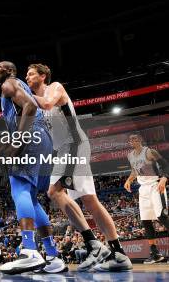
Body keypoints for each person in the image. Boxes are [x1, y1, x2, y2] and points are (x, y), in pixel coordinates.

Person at [27, 63, 132, 271]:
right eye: (26, 76)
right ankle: (119, 254)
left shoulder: (54, 88)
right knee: (89, 201)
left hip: (74, 144)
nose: (27, 78)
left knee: (54, 191)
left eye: (30, 74)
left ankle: (93, 244)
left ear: (43, 76)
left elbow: (48, 104)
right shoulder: (38, 108)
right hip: (65, 150)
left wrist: (22, 94)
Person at [0, 61, 66, 274]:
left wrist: (17, 141)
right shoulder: (20, 85)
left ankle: (29, 251)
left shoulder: (9, 84)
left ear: (8, 70)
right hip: (44, 141)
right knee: (32, 199)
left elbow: (30, 107)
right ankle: (52, 256)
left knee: (20, 189)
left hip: (32, 139)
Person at [125, 132, 169, 264]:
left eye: (134, 139)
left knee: (161, 216)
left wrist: (164, 178)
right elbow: (134, 170)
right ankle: (155, 254)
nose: (132, 141)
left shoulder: (150, 152)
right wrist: (129, 180)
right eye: (130, 139)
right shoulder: (130, 155)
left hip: (156, 186)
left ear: (140, 140)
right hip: (143, 189)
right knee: (145, 221)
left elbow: (166, 165)